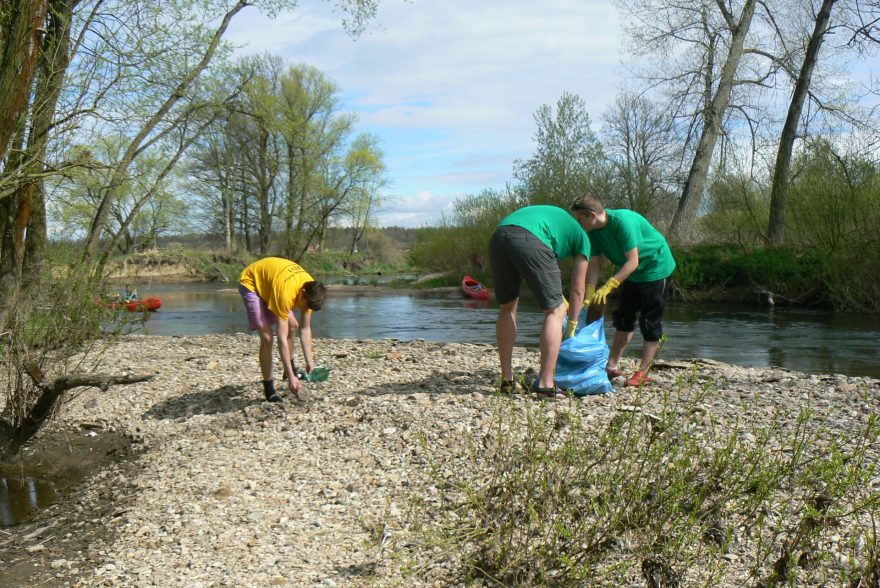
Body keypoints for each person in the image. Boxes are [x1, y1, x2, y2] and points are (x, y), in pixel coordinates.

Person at [489, 204, 592, 399]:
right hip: (531, 239)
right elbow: (578, 290)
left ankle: (507, 381)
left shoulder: (557, 220)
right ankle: (546, 385)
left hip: (499, 236)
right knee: (555, 311)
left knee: (507, 308)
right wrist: (573, 323)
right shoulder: (583, 238)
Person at [573, 195, 676, 387]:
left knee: (649, 321)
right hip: (632, 273)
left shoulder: (622, 222)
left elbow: (633, 261)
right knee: (623, 317)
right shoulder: (592, 231)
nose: (578, 223)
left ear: (591, 215)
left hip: (655, 266)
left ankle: (643, 372)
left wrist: (610, 285)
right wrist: (589, 293)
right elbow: (595, 266)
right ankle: (611, 366)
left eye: (580, 219)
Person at [238, 257, 327, 402]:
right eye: (305, 305)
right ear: (302, 292)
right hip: (252, 283)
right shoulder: (285, 294)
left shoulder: (311, 294)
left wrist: (310, 361)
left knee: (294, 325)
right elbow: (282, 338)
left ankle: (289, 368)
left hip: (272, 283)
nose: (305, 309)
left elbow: (305, 329)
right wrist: (292, 379)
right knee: (267, 338)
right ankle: (269, 389)